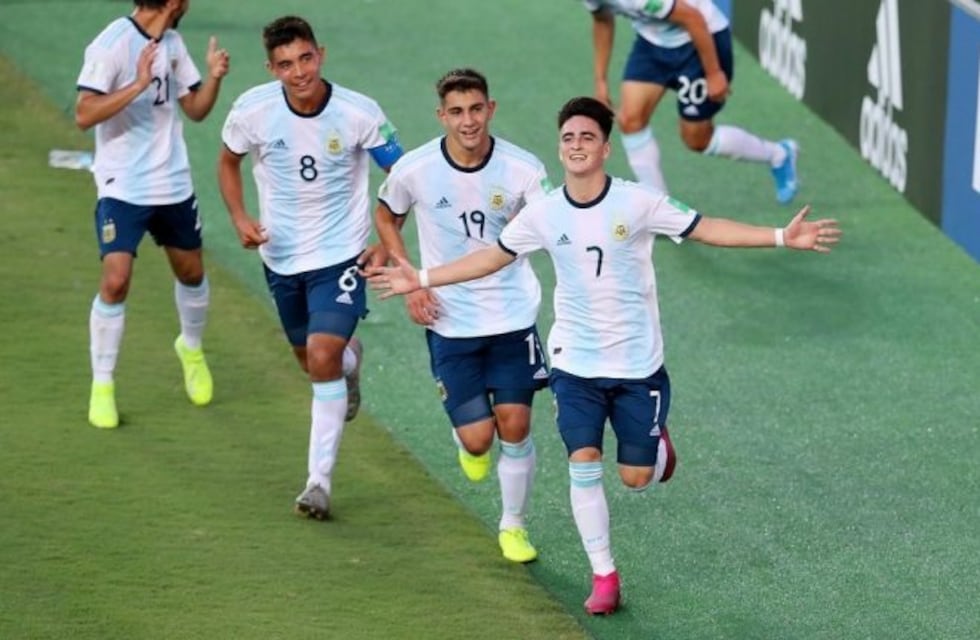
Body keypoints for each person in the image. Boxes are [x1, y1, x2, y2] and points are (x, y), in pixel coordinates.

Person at [366, 97, 840, 615]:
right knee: (582, 463)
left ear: (605, 149)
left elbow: (706, 228)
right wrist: (423, 276)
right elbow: (490, 258)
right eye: (568, 138)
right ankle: (604, 575)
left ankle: (657, 450)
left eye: (586, 137)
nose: (575, 146)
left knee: (636, 478)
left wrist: (779, 237)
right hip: (576, 366)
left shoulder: (639, 203)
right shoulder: (544, 214)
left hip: (638, 367)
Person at [216, 15, 403, 521]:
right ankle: (349, 360)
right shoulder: (251, 111)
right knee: (314, 362)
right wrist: (239, 216)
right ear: (270, 67)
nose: (298, 72)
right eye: (285, 64)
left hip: (341, 255)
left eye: (305, 59)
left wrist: (385, 248)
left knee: (320, 356)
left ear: (319, 54)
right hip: (280, 258)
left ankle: (318, 483)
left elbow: (403, 179)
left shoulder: (358, 113)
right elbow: (228, 162)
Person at [374, 68, 551, 563]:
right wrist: (407, 273)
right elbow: (387, 213)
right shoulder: (415, 168)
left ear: (490, 109)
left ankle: (513, 526)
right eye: (457, 111)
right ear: (441, 116)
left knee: (515, 425)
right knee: (478, 440)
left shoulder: (523, 169)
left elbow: (549, 221)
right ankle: (468, 441)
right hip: (450, 320)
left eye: (476, 109)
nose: (468, 121)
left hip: (513, 316)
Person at [76, 0, 230, 429]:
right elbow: (84, 115)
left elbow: (195, 110)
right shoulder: (112, 45)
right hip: (121, 184)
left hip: (172, 182)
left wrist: (214, 78)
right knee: (116, 279)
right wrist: (138, 84)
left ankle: (191, 347)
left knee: (191, 274)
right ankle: (102, 385)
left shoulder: (174, 43)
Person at [584, 0, 799, 202]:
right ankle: (660, 208)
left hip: (700, 39)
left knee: (697, 139)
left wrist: (714, 73)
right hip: (652, 44)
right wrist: (600, 80)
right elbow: (602, 19)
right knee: (630, 120)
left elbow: (693, 18)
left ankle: (779, 154)